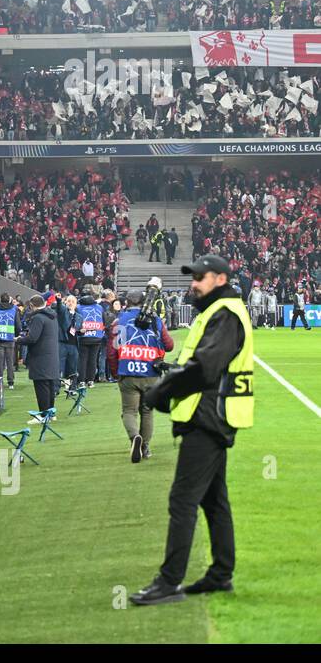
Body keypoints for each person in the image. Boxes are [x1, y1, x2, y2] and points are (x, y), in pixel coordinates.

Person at [131, 255, 253, 605]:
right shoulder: (219, 312)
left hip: (208, 417)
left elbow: (206, 368)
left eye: (201, 277)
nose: (194, 283)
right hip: (212, 414)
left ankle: (168, 583)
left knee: (182, 499)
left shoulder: (225, 314)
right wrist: (171, 370)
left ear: (221, 278)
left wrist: (163, 391)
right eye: (193, 277)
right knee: (214, 500)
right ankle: (220, 575)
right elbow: (201, 363)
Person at [114, 290, 170, 464]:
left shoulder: (120, 320)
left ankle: (134, 438)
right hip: (151, 372)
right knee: (147, 411)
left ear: (127, 303)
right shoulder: (155, 320)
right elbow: (169, 345)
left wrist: (116, 370)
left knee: (129, 411)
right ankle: (145, 447)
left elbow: (113, 349)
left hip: (128, 371)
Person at [16, 295, 60, 416]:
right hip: (51, 356)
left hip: (40, 357)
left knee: (42, 388)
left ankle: (44, 415)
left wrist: (19, 339)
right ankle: (50, 414)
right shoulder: (52, 316)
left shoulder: (38, 318)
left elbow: (32, 338)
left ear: (31, 306)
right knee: (50, 387)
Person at [75, 287, 107, 388]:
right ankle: (91, 381)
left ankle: (81, 381)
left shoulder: (78, 307)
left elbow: (76, 321)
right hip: (97, 336)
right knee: (93, 360)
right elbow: (104, 321)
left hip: (84, 336)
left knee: (82, 359)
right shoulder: (99, 307)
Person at [0, 293, 19, 388]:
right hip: (10, 338)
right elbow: (18, 325)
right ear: (9, 300)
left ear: (1, 300)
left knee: (0, 362)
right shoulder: (14, 310)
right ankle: (11, 382)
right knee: (10, 361)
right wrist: (17, 335)